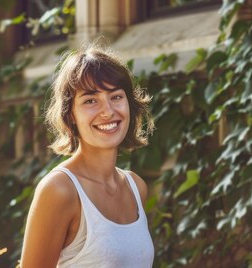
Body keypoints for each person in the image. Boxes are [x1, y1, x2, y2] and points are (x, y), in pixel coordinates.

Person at [20, 46, 155, 268]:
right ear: (70, 113)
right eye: (90, 100)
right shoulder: (59, 190)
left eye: (116, 96)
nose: (108, 111)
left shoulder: (136, 187)